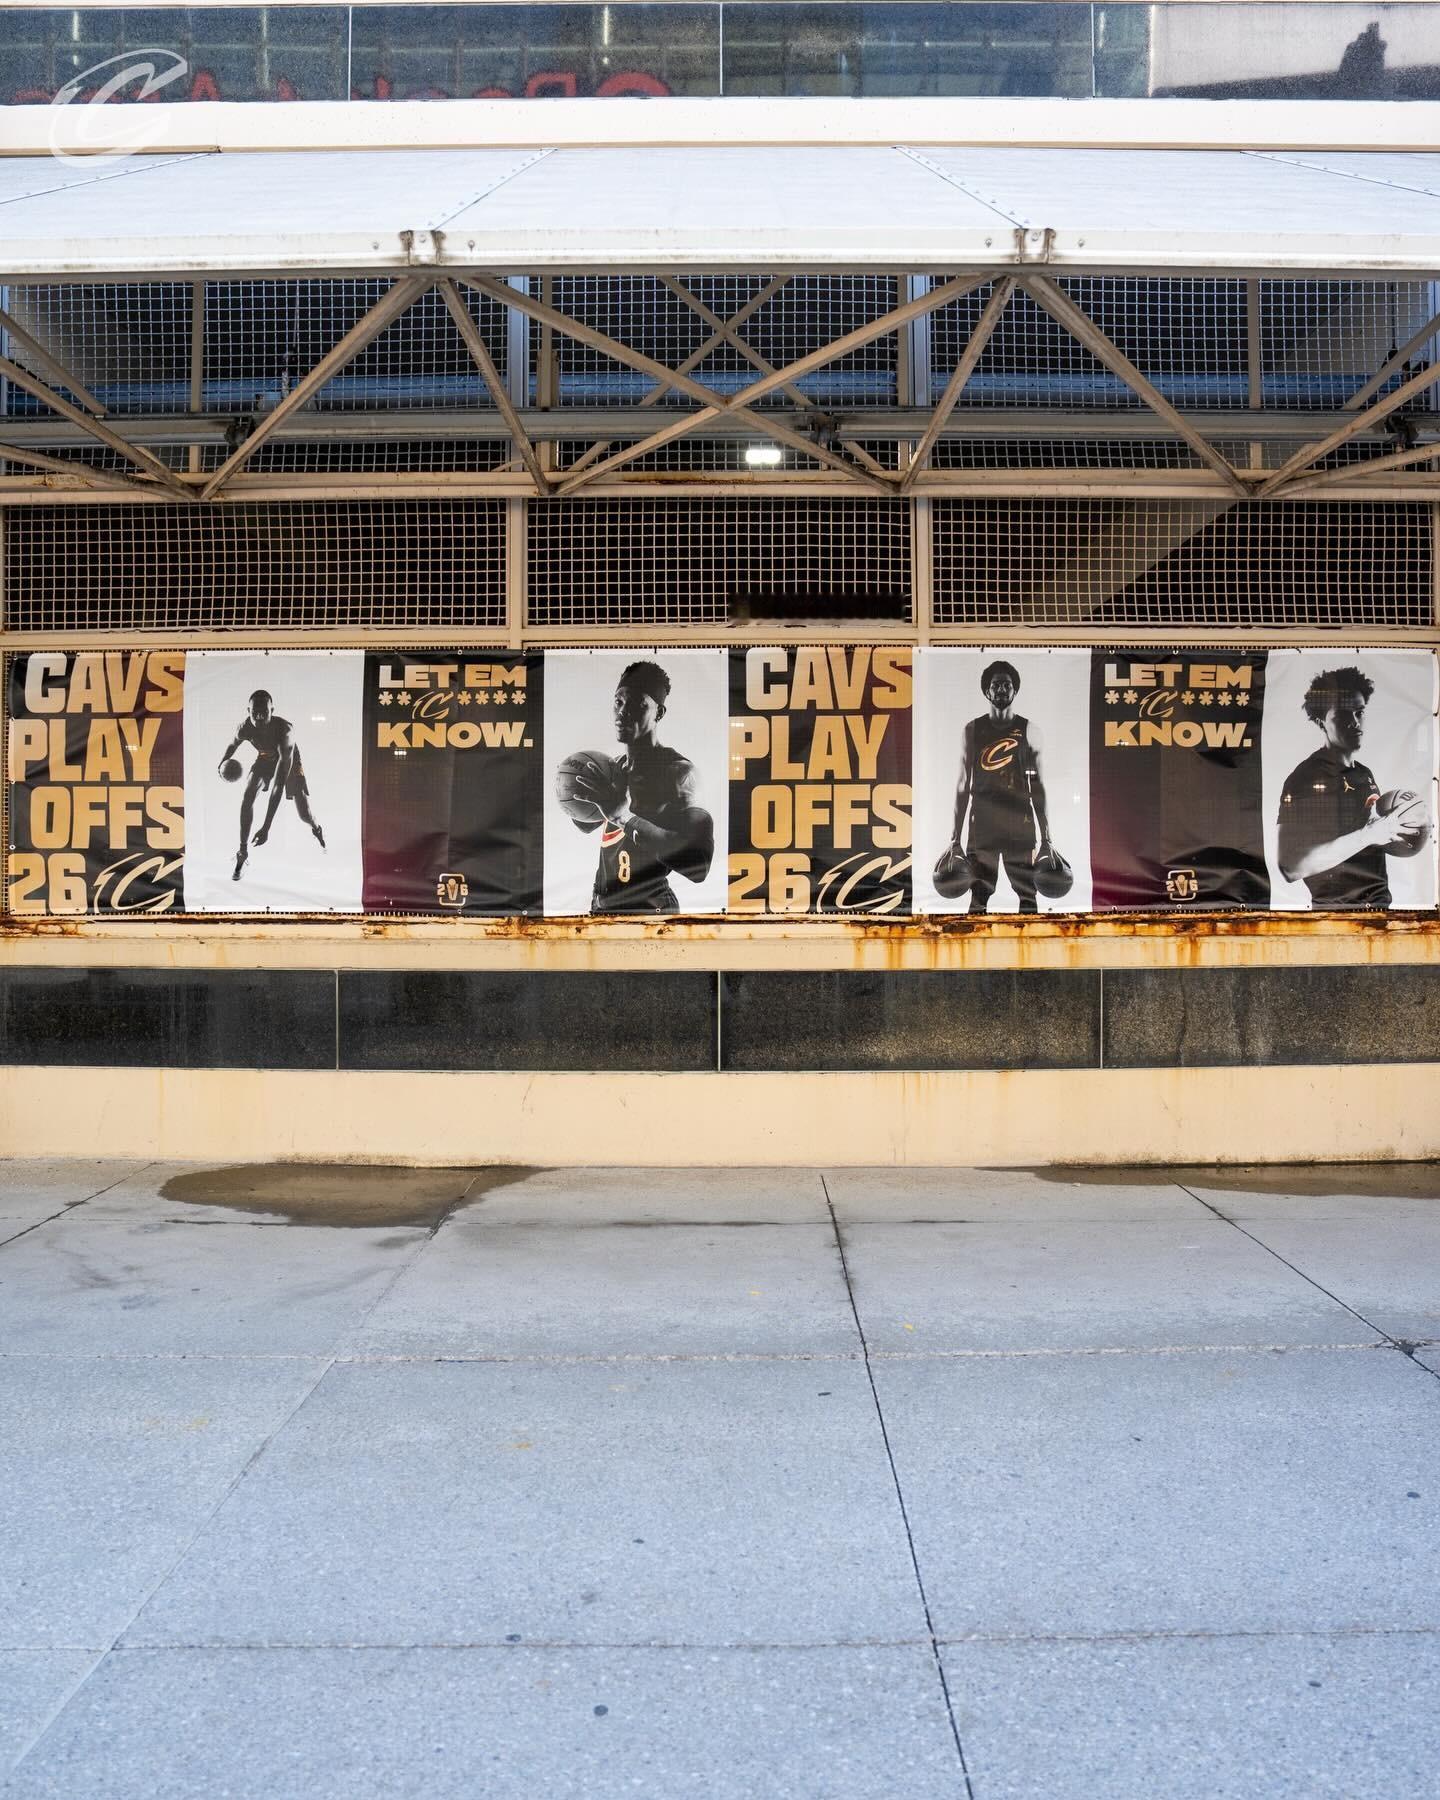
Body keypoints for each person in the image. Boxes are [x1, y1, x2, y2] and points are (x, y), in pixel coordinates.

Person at [563, 660, 714, 914]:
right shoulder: (615, 767)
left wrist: (623, 817)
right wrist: (574, 793)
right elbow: (586, 825)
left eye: (637, 704)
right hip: (603, 908)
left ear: (659, 712)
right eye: (618, 702)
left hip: (650, 911)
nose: (623, 711)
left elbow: (699, 866)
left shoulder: (679, 773)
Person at [1277, 665, 1418, 907]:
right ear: (1321, 722)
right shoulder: (1304, 777)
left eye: (1359, 712)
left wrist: (1410, 827)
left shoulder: (1364, 773)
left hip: (1379, 908)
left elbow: (1370, 839)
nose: (1355, 722)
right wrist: (1368, 835)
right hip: (1337, 914)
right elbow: (1290, 867)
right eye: (1343, 715)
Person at [950, 659, 1054, 913]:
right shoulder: (972, 730)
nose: (1001, 690)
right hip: (982, 825)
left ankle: (1031, 939)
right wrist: (955, 838)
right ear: (987, 691)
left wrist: (1047, 838)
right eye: (996, 684)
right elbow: (963, 786)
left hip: (1019, 823)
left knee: (1027, 894)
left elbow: (1037, 787)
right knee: (979, 896)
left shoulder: (1029, 730)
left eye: (1006, 685)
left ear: (1015, 690)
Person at [219, 688, 326, 882]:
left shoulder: (285, 732)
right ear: (248, 711)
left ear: (272, 711)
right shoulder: (244, 728)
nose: (259, 716)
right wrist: (222, 763)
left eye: (264, 712)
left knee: (304, 814)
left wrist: (266, 827)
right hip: (266, 757)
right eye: (255, 713)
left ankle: (316, 828)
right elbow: (233, 744)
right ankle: (242, 853)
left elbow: (278, 787)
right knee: (248, 795)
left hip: (288, 761)